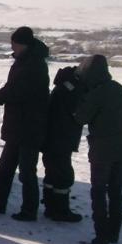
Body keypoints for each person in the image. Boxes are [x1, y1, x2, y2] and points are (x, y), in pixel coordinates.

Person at [0, 26, 50, 221]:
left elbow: (15, 91)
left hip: (29, 127)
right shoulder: (24, 61)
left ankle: (29, 210)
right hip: (18, 126)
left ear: (23, 44)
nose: (12, 47)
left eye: (14, 44)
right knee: (5, 168)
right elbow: (12, 88)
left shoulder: (33, 65)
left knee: (26, 172)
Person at [74, 55, 122, 244]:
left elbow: (81, 118)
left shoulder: (97, 93)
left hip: (102, 148)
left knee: (98, 192)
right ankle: (114, 233)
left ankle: (101, 236)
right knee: (115, 191)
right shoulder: (118, 88)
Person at [41, 65, 85, 222]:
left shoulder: (62, 87)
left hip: (52, 139)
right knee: (63, 176)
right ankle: (61, 210)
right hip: (61, 139)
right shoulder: (72, 91)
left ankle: (50, 207)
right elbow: (79, 115)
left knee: (52, 174)